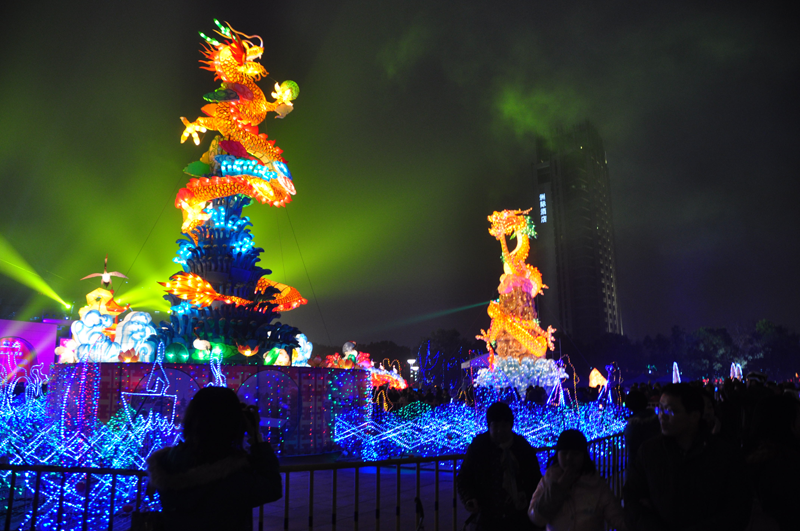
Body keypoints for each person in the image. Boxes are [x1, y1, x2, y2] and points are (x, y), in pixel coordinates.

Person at [147, 387, 283, 531]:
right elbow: (272, 488)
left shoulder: (168, 462)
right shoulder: (232, 476)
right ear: (231, 423)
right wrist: (256, 437)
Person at [623, 383, 751, 531]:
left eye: (670, 411)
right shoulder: (649, 452)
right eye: (661, 409)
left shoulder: (725, 455)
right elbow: (632, 497)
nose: (662, 416)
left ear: (694, 416)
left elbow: (737, 510)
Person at [458, 402, 542, 530]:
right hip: (487, 517)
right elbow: (464, 476)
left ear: (510, 425)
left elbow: (534, 478)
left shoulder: (522, 447)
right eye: (495, 425)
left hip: (519, 517)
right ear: (489, 426)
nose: (499, 430)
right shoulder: (479, 447)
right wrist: (469, 497)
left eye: (504, 425)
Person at [528, 429, 627, 531]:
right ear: (558, 454)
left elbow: (617, 518)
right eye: (564, 453)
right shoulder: (548, 481)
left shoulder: (596, 485)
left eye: (575, 454)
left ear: (583, 456)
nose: (569, 458)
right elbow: (536, 518)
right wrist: (558, 489)